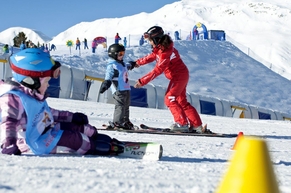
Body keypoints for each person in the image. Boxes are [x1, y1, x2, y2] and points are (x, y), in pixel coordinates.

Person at [0, 48, 125, 156]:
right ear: (31, 80)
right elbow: (8, 123)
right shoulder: (13, 98)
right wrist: (9, 143)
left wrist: (71, 117)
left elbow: (48, 113)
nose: (48, 85)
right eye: (47, 81)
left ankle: (98, 138)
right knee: (76, 140)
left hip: (46, 128)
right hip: (33, 141)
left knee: (84, 129)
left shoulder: (33, 94)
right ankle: (94, 146)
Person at [130, 26, 209, 133]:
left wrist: (142, 81)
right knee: (181, 101)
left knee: (169, 98)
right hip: (180, 75)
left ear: (157, 39)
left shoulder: (165, 53)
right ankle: (196, 125)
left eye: (150, 40)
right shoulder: (162, 49)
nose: (149, 43)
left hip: (179, 76)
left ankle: (181, 124)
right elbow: (152, 56)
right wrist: (137, 63)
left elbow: (157, 70)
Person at [99, 44, 135, 130]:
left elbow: (127, 66)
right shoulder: (112, 65)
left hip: (126, 88)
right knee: (120, 106)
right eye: (120, 54)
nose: (122, 56)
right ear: (113, 54)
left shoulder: (122, 63)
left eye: (123, 53)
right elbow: (108, 75)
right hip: (118, 89)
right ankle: (117, 122)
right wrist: (106, 83)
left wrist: (132, 64)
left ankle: (125, 121)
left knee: (126, 106)